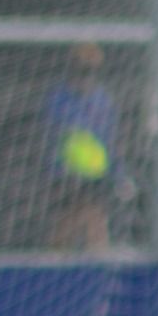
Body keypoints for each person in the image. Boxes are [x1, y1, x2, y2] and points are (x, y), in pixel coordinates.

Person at [39, 41, 120, 251]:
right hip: (64, 175)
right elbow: (59, 135)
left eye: (93, 71)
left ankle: (100, 261)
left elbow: (109, 140)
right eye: (83, 71)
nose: (87, 78)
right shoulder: (59, 99)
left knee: (95, 218)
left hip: (95, 174)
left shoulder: (103, 101)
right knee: (67, 221)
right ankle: (55, 262)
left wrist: (117, 173)